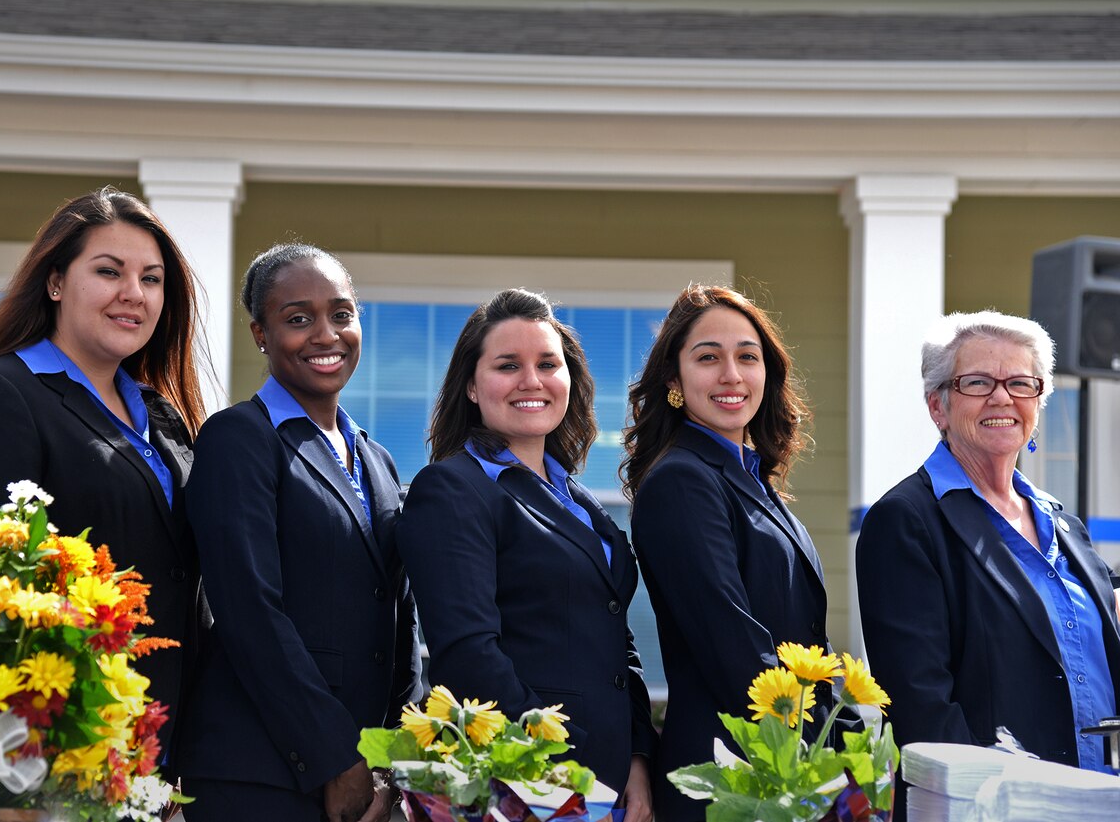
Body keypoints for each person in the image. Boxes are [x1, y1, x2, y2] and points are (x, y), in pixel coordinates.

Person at [0, 186, 206, 756]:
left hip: (173, 746)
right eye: (110, 272)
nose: (134, 294)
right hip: (58, 746)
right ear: (55, 282)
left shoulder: (165, 418)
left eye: (152, 279)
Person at [177, 244, 422, 822]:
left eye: (341, 314)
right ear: (261, 334)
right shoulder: (237, 439)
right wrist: (334, 756)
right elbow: (249, 612)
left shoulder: (378, 460)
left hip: (365, 773)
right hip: (261, 770)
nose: (325, 334)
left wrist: (393, 761)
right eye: (297, 319)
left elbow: (400, 614)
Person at [397, 288, 656, 819]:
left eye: (547, 364)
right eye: (507, 365)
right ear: (471, 386)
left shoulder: (582, 501)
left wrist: (635, 755)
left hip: (607, 783)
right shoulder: (451, 489)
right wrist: (562, 765)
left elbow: (616, 639)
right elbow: (469, 656)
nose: (531, 381)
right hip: (523, 782)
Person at [857, 311, 1120, 813]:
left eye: (1021, 383)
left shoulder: (1065, 525)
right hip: (994, 807)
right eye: (978, 382)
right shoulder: (906, 520)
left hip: (1100, 801)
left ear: (1037, 404)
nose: (1002, 397)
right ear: (939, 405)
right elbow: (922, 707)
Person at [622, 284, 837, 822]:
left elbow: (804, 637)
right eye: (708, 358)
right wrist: (822, 755)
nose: (732, 375)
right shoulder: (681, 481)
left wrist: (844, 737)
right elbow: (733, 646)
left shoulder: (755, 481)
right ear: (674, 380)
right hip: (730, 777)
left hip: (784, 764)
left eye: (747, 356)